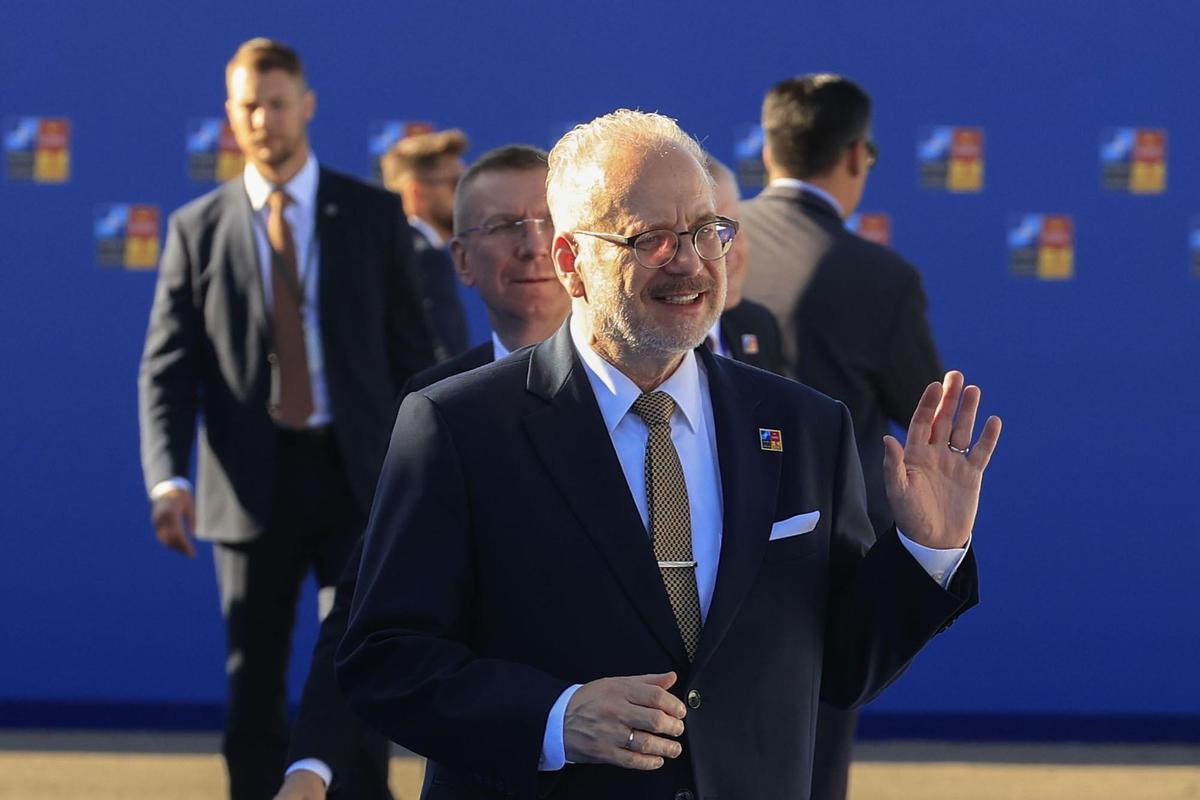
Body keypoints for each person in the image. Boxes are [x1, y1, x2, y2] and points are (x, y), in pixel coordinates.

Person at [337, 109, 1001, 800]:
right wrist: (555, 719)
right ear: (571, 264)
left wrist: (929, 552)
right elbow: (386, 662)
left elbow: (840, 669)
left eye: (704, 231)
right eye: (649, 238)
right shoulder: (459, 425)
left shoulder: (803, 426)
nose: (688, 261)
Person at [137, 38, 435, 800]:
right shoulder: (196, 228)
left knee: (361, 663)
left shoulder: (371, 214)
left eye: (275, 101)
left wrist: (426, 472)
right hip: (249, 483)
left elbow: (413, 357)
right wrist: (168, 479)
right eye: (247, 106)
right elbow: (169, 369)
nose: (263, 119)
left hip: (359, 474)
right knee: (254, 682)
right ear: (230, 118)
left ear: (306, 105)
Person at [277, 145, 568, 800]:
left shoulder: (654, 394)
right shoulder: (433, 406)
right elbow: (366, 602)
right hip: (480, 776)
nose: (532, 245)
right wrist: (309, 769)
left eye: (549, 222)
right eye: (503, 227)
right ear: (461, 259)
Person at [739, 74, 948, 800]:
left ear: (767, 146)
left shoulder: (703, 246)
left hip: (687, 545)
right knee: (809, 775)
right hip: (823, 575)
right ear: (857, 155)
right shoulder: (878, 278)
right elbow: (931, 422)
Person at [381, 129, 472, 359]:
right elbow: (445, 363)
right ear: (416, 192)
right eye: (456, 184)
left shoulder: (386, 253)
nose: (467, 196)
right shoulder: (424, 258)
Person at [703, 154, 784, 374]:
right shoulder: (658, 344)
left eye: (733, 231)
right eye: (707, 234)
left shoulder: (757, 324)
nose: (730, 255)